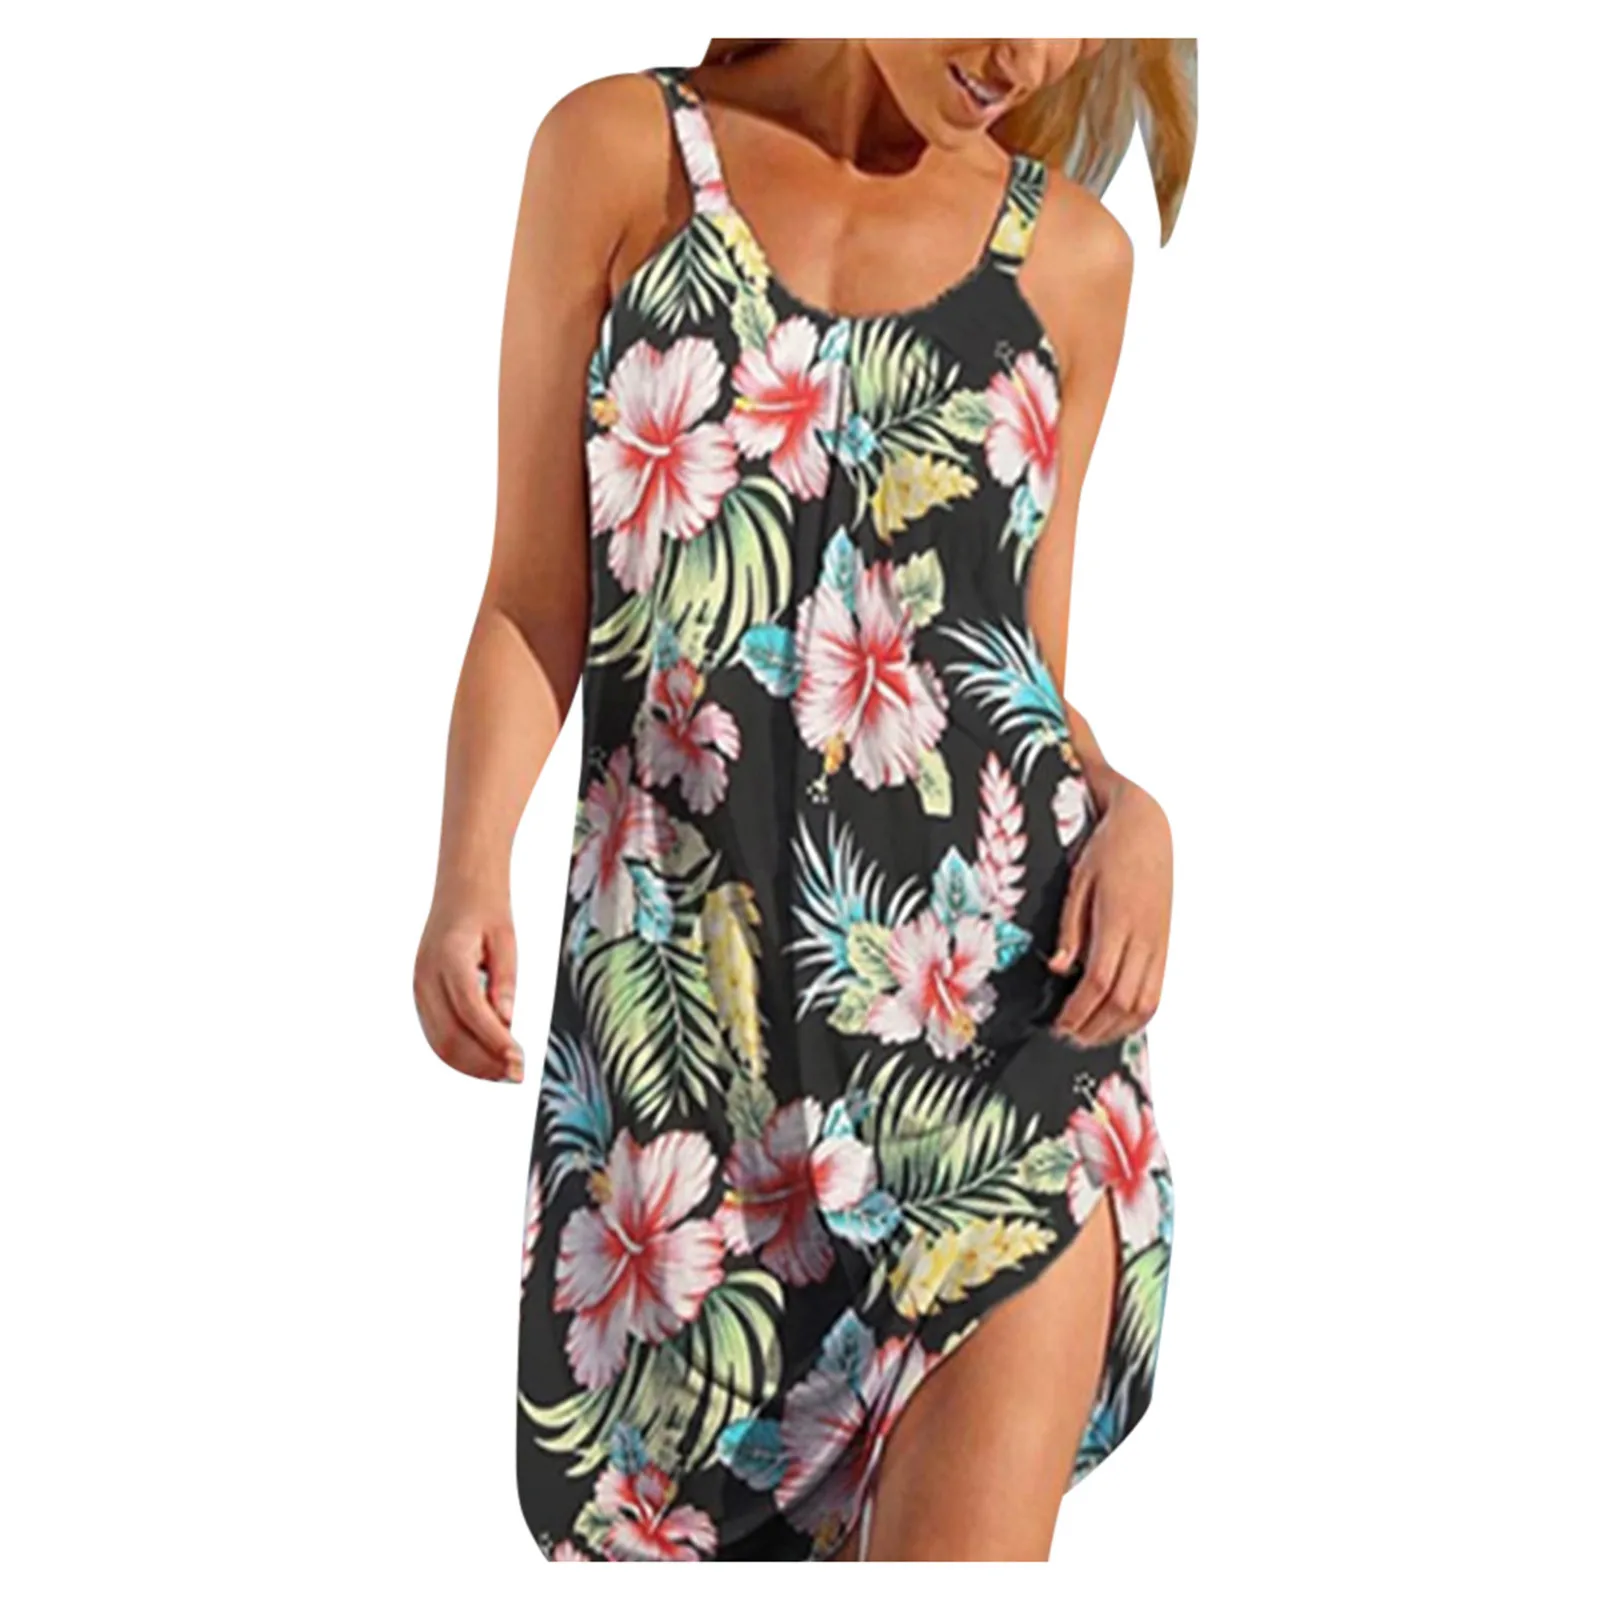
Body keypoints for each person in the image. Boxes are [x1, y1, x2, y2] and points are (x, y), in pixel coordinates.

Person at [415, 38, 1195, 1562]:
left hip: (1002, 1066)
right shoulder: (621, 159)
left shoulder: (1073, 265)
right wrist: (466, 867)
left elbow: (1015, 667)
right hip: (688, 1096)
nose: (1025, 53)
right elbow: (531, 596)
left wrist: (1136, 814)